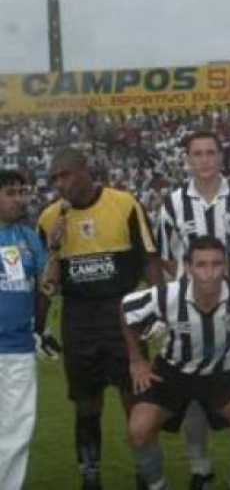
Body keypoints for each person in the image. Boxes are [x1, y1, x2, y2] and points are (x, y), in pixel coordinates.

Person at [37, 148, 161, 490]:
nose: (60, 184)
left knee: (135, 399)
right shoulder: (49, 219)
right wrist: (54, 248)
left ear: (84, 170)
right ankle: (90, 474)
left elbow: (150, 258)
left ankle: (145, 473)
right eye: (54, 179)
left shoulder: (124, 203)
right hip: (78, 319)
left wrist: (161, 305)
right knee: (86, 403)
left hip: (123, 313)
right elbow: (47, 282)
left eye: (65, 175)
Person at [157, 129, 230, 489]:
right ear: (187, 160)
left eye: (210, 153)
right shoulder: (173, 203)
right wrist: (197, 290)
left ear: (221, 158)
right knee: (192, 395)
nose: (204, 160)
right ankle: (200, 467)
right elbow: (167, 258)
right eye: (197, 154)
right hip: (192, 314)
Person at [121, 237, 230, 490]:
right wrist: (137, 360)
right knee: (139, 430)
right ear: (188, 267)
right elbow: (126, 310)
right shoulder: (168, 295)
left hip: (224, 374)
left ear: (226, 266)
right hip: (173, 374)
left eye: (216, 264)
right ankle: (156, 486)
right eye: (201, 265)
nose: (209, 273)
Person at [0, 170, 57, 490]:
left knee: (17, 431)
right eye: (11, 193)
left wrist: (56, 249)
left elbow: (47, 283)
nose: (20, 199)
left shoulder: (28, 237)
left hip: (19, 348)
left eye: (22, 192)